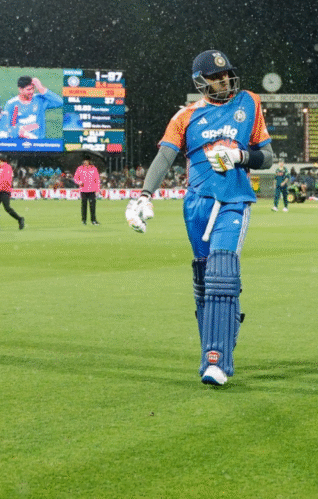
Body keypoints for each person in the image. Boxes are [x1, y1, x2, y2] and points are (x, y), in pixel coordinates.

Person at [125, 50, 273, 386]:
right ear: (200, 82)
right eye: (216, 77)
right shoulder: (185, 117)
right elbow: (164, 158)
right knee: (205, 280)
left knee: (222, 272)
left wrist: (241, 155)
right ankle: (214, 348)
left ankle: (217, 361)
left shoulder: (249, 102)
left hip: (234, 200)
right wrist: (144, 195)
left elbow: (267, 157)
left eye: (226, 74)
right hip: (196, 205)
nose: (224, 80)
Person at [0, 153, 25, 231]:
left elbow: (6, 180)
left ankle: (20, 219)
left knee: (7, 208)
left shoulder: (7, 167)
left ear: (1, 159)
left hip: (5, 191)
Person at [73, 153, 101, 225]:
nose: (85, 162)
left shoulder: (94, 169)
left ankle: (93, 220)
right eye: (84, 161)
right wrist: (79, 182)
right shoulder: (80, 169)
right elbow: (75, 178)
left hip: (92, 190)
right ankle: (84, 220)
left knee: (92, 206)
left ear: (89, 161)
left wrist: (97, 190)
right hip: (83, 190)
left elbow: (97, 180)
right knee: (84, 206)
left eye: (86, 161)